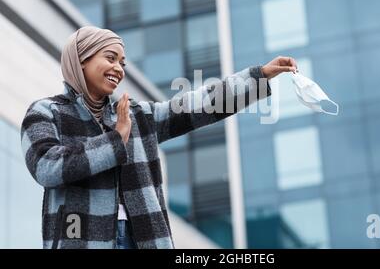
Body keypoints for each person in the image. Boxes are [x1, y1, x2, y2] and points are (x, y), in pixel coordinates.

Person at [20, 26, 297, 249]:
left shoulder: (137, 115)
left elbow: (197, 105)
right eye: (110, 58)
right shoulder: (46, 112)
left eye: (122, 62)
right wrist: (116, 140)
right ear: (81, 59)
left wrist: (259, 77)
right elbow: (48, 166)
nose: (119, 69)